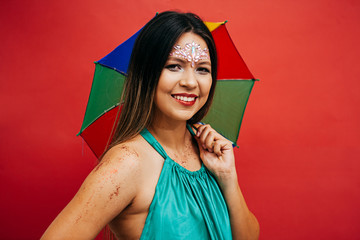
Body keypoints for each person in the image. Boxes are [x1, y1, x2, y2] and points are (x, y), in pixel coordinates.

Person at [41, 11, 259, 240]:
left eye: (202, 69)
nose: (190, 82)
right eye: (174, 66)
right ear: (147, 73)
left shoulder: (209, 151)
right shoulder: (127, 162)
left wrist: (227, 176)